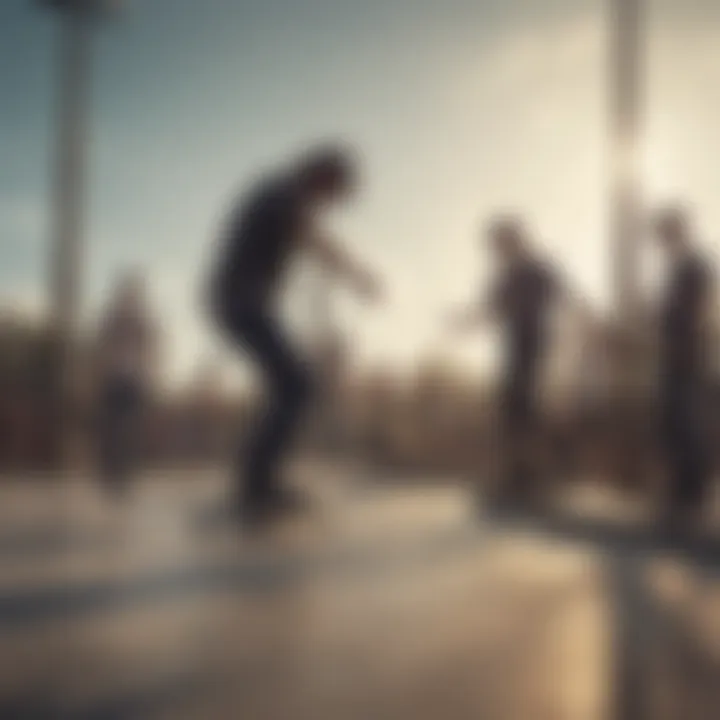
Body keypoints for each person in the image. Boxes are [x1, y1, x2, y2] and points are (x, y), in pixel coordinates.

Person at [209, 144, 382, 525]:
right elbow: (314, 239)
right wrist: (359, 277)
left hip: (239, 300)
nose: (330, 204)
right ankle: (257, 485)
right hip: (242, 300)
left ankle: (257, 481)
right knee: (296, 384)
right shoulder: (284, 192)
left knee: (290, 384)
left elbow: (305, 235)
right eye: (333, 194)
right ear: (321, 177)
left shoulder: (278, 191)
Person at [447, 215, 589, 510]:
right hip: (514, 348)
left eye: (500, 247)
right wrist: (465, 321)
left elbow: (569, 297)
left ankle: (541, 475)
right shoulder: (505, 276)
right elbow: (490, 308)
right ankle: (521, 477)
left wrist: (586, 331)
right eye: (495, 249)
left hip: (539, 346)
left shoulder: (539, 268)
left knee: (528, 408)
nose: (497, 255)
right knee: (513, 409)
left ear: (514, 241)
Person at [653, 205, 715, 533]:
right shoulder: (675, 270)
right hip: (670, 359)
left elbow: (702, 310)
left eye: (664, 233)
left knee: (690, 427)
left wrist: (687, 346)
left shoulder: (695, 266)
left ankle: (693, 501)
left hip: (689, 358)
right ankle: (678, 498)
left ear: (679, 231)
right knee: (673, 426)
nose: (661, 242)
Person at [94, 271, 158, 497]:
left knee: (129, 426)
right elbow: (100, 347)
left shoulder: (141, 321)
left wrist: (148, 375)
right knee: (113, 426)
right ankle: (112, 472)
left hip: (133, 380)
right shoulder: (111, 319)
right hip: (113, 379)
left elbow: (151, 350)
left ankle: (124, 473)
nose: (129, 298)